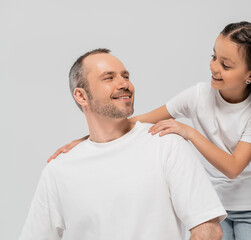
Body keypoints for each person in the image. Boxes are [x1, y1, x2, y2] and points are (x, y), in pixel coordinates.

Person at [49, 21, 251, 240]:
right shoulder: (198, 96)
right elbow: (137, 121)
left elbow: (233, 168)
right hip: (212, 207)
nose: (214, 67)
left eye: (225, 65)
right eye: (214, 57)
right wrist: (86, 140)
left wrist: (189, 132)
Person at [20, 49, 227, 240]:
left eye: (125, 76)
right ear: (81, 95)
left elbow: (207, 229)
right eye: (109, 78)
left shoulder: (167, 145)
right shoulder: (59, 170)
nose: (124, 84)